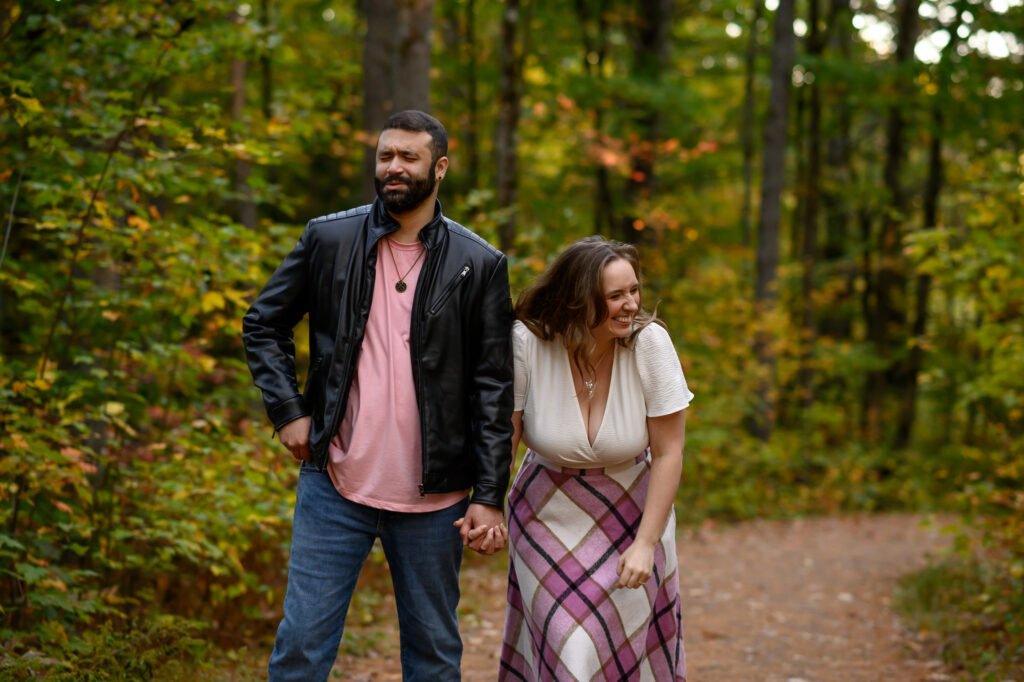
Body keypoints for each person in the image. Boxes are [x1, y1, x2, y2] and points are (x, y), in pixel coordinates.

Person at [242, 110, 514, 682]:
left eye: (408, 157)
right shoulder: (329, 239)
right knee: (301, 649)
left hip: (436, 499)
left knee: (434, 657)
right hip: (334, 482)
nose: (393, 167)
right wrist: (288, 411)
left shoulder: (480, 263)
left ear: (439, 168)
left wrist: (489, 493)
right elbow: (263, 323)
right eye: (385, 155)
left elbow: (493, 385)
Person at [496, 235, 692, 681]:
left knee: (619, 646)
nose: (630, 305)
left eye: (634, 291)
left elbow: (668, 452)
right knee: (568, 645)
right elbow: (506, 436)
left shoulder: (651, 344)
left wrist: (645, 544)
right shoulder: (526, 342)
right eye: (614, 296)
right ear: (577, 300)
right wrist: (486, 503)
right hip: (545, 512)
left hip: (634, 511)